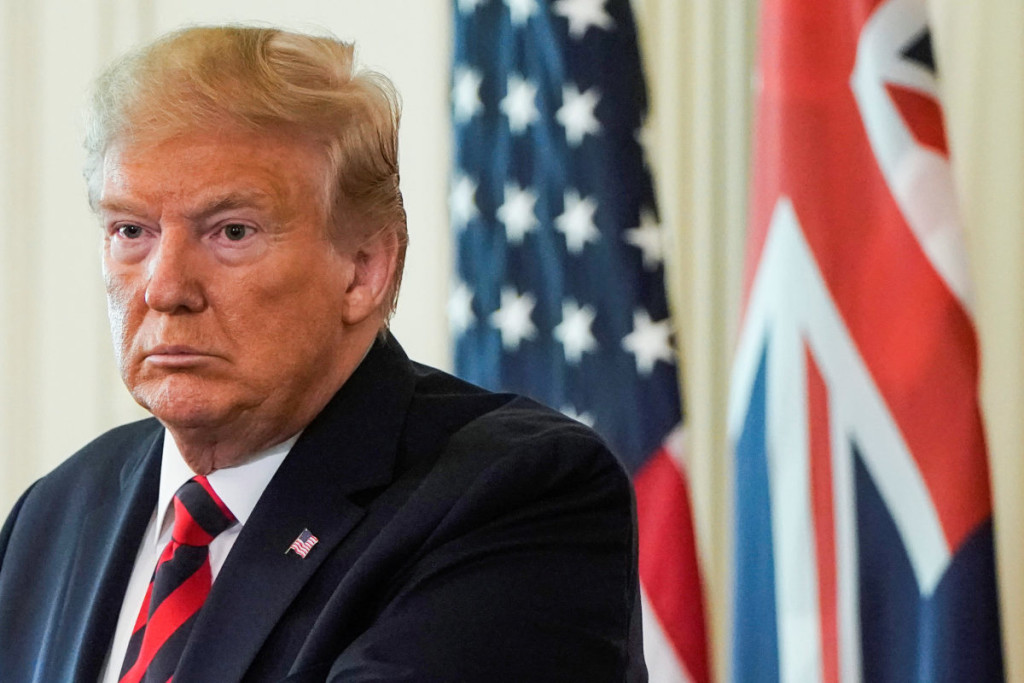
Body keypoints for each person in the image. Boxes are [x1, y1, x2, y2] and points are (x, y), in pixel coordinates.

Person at [0, 25, 645, 682]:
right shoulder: (53, 514)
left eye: (231, 231)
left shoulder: (516, 494)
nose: (166, 287)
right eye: (131, 230)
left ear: (364, 267)